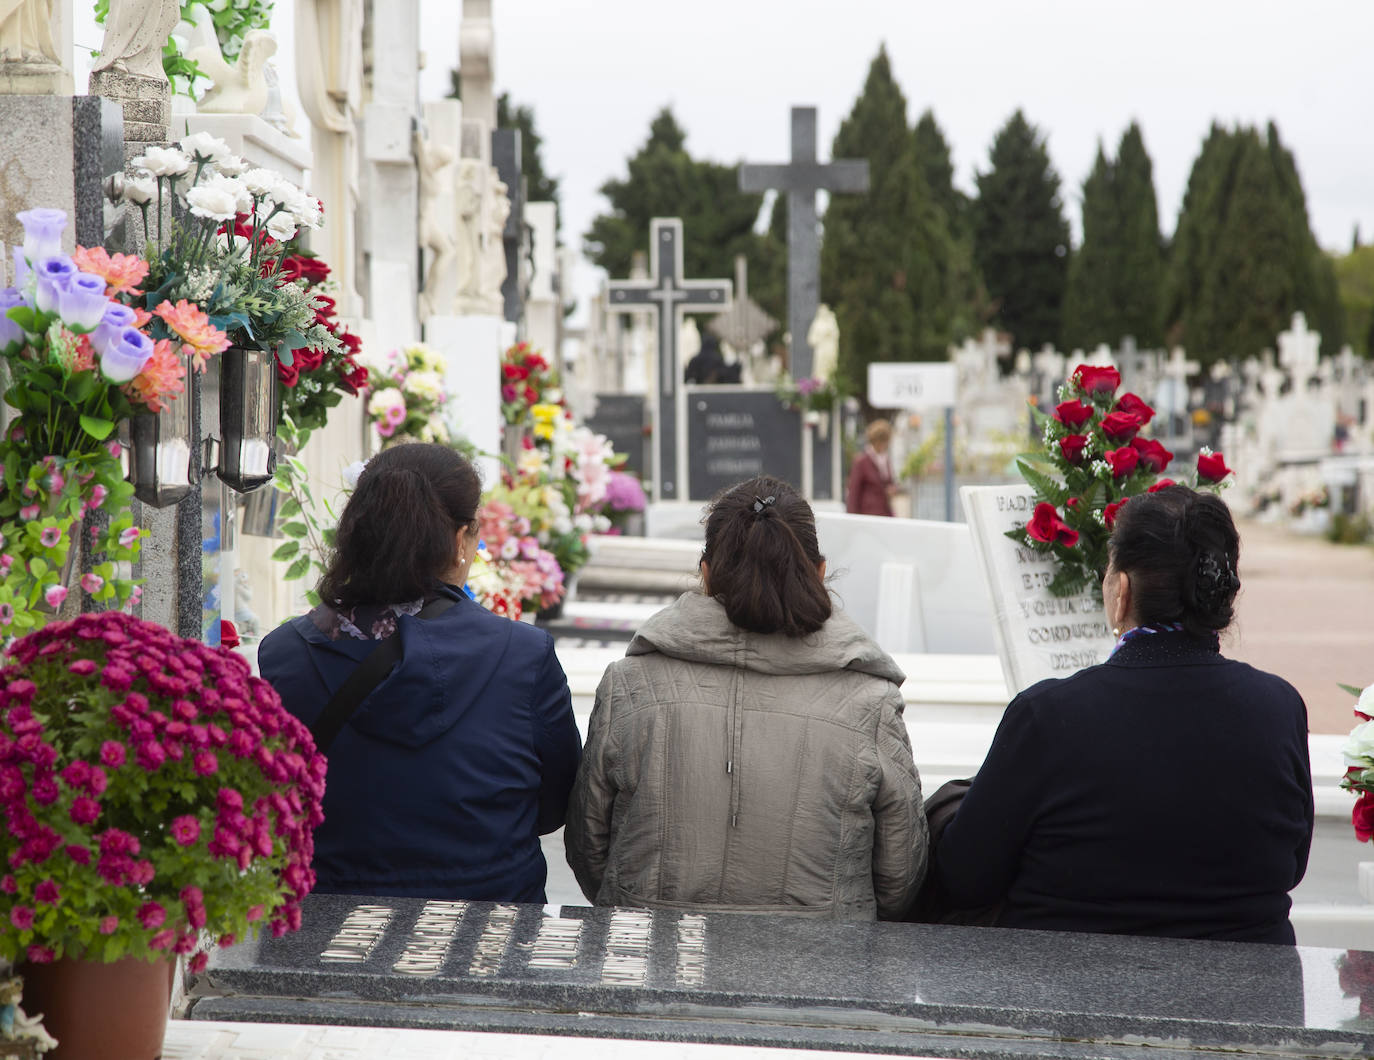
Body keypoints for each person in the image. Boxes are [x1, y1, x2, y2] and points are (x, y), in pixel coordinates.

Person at [934, 486, 1313, 944]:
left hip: (1069, 1001)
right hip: (1255, 1001)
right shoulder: (1280, 708)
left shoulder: (1048, 716)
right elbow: (1292, 865)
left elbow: (963, 877)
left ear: (1122, 591)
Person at [565, 475, 927, 919]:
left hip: (654, 964)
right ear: (818, 571)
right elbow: (900, 874)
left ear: (706, 573)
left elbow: (589, 850)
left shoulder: (631, 685)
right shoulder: (869, 701)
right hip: (823, 970)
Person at [258, 444, 581, 902]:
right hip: (491, 925)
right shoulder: (523, 655)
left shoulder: (284, 655)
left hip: (323, 923)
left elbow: (271, 801)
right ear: (459, 540)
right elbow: (553, 804)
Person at [846, 419, 898, 516]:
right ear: (876, 441)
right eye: (884, 441)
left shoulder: (885, 460)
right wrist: (851, 519)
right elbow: (853, 493)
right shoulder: (861, 462)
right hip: (868, 514)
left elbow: (890, 482)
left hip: (885, 513)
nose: (886, 445)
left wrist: (892, 489)